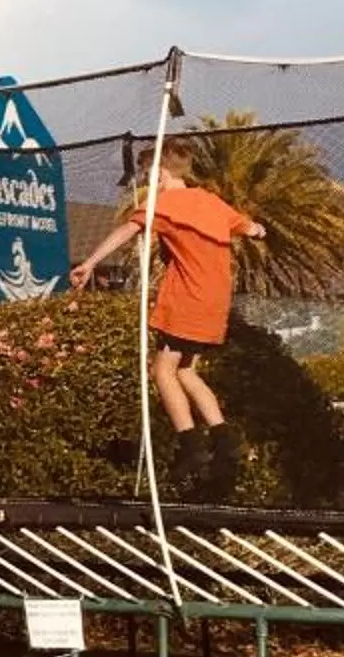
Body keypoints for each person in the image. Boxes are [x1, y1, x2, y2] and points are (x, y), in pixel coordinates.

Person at [69, 150, 268, 500]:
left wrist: (90, 262)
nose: (146, 183)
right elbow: (252, 229)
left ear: (160, 174)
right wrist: (257, 229)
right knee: (186, 371)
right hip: (214, 303)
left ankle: (191, 447)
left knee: (162, 370)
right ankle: (224, 440)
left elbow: (126, 231)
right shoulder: (213, 202)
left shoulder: (164, 205)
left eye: (148, 176)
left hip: (187, 299)